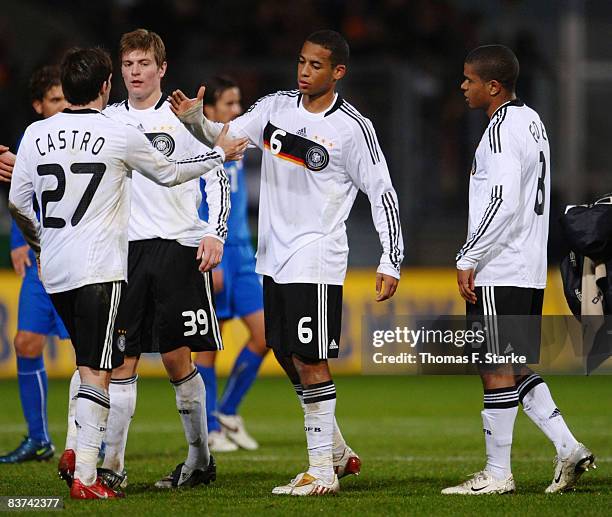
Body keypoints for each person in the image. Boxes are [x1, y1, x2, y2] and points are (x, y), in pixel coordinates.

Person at [170, 29, 403, 496]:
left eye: (316, 65)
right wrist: (196, 121)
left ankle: (321, 471)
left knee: (311, 359)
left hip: (316, 255)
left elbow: (382, 191)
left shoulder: (353, 128)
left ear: (338, 72)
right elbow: (227, 140)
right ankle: (336, 451)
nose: (304, 70)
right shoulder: (276, 106)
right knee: (285, 351)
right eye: (301, 61)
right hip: (273, 256)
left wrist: (391, 258)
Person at [8, 46, 241, 499]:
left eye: (144, 64)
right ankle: (105, 464)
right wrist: (220, 152)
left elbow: (217, 165)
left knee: (175, 359)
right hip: (121, 253)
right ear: (109, 81)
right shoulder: (111, 122)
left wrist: (215, 232)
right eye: (128, 64)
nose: (136, 72)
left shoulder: (183, 115)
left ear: (162, 68)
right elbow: (176, 169)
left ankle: (196, 459)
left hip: (178, 246)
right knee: (117, 361)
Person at [444, 44, 595, 495]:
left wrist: (469, 255)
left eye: (469, 79)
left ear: (493, 86)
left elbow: (503, 201)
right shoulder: (531, 121)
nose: (463, 86)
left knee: (494, 369)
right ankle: (568, 448)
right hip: (527, 266)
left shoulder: (500, 132)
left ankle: (496, 473)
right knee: (513, 365)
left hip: (500, 265)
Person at [0, 66, 69, 464]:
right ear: (38, 105)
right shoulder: (31, 140)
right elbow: (21, 196)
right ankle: (39, 439)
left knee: (87, 355)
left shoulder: (83, 138)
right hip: (39, 260)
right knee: (25, 343)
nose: (61, 107)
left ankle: (97, 445)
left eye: (66, 99)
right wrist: (18, 242)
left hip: (76, 261)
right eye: (54, 100)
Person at [195, 76, 266, 452]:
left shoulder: (237, 144)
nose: (237, 111)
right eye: (229, 103)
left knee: (265, 335)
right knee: (207, 344)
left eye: (239, 103)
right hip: (218, 253)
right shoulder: (202, 151)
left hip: (244, 255)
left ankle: (226, 410)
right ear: (209, 111)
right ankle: (208, 427)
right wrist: (213, 254)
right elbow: (202, 203)